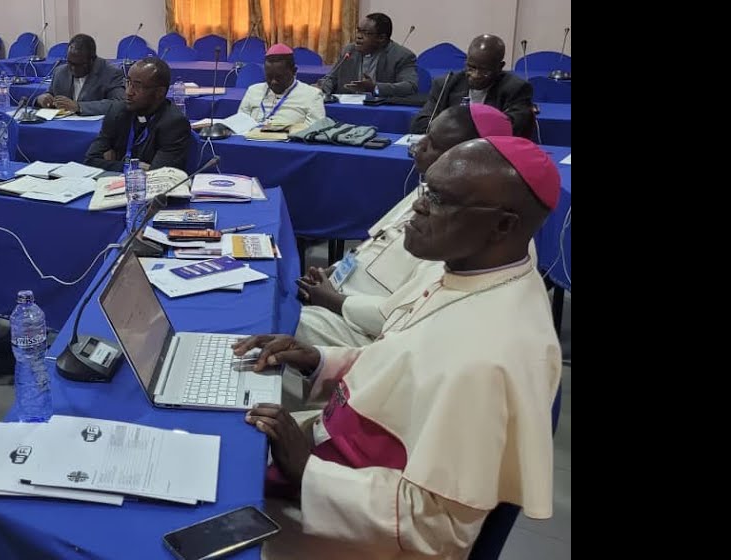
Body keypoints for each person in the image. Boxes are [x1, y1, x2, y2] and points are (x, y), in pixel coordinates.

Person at [234, 136, 563, 560]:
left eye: (439, 200)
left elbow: (438, 528)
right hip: (339, 451)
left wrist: (307, 472)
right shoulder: (468, 271)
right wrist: (318, 359)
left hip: (354, 534)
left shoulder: (492, 355)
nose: (417, 208)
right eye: (425, 191)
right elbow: (405, 361)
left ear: (503, 225)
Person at [296, 104, 514, 347]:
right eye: (425, 136)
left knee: (279, 325)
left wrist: (331, 299)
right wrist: (331, 272)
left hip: (368, 332)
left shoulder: (465, 227)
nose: (417, 147)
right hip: (337, 295)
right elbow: (373, 243)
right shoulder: (433, 188)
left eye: (433, 144)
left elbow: (404, 316)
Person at [411, 34, 536, 139]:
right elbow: (421, 123)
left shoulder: (516, 88)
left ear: (500, 67)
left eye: (485, 71)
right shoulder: (446, 84)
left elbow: (511, 129)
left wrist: (457, 132)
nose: (476, 75)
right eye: (471, 68)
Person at [83, 57, 192, 171]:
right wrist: (134, 167)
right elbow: (90, 161)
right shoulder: (117, 112)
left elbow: (159, 174)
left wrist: (111, 163)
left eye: (137, 86)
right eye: (128, 82)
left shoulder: (174, 123)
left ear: (159, 92)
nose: (128, 92)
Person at [315, 13, 419, 97]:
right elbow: (331, 79)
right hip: (348, 107)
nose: (359, 36)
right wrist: (319, 89)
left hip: (381, 112)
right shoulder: (349, 51)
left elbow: (410, 86)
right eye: (358, 31)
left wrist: (375, 87)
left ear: (381, 38)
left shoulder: (402, 56)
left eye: (365, 33)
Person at [35, 34, 126, 116]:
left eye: (79, 65)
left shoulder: (111, 73)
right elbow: (50, 94)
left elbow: (120, 103)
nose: (73, 69)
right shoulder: (60, 72)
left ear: (92, 60)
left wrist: (79, 106)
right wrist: (42, 98)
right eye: (70, 63)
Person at [237, 43, 326, 127]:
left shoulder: (312, 95)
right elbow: (239, 124)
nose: (273, 82)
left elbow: (314, 132)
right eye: (269, 77)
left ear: (294, 71)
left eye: (279, 77)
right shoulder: (253, 90)